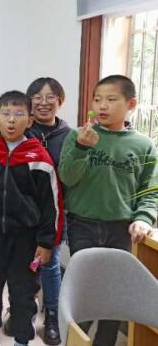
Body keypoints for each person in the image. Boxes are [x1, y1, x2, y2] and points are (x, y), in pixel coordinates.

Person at [59, 75, 157, 346]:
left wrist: (143, 217)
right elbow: (67, 177)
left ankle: (106, 341)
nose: (102, 105)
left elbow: (150, 191)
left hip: (121, 227)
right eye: (97, 99)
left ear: (131, 104)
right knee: (85, 287)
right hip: (82, 223)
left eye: (111, 99)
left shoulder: (144, 145)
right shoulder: (77, 136)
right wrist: (82, 148)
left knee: (114, 291)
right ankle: (74, 339)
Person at [0, 90, 63, 346]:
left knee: (23, 291)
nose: (11, 120)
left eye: (19, 114)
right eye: (5, 113)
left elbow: (51, 205)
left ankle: (22, 339)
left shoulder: (39, 158)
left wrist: (46, 242)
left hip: (26, 240)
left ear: (30, 120)